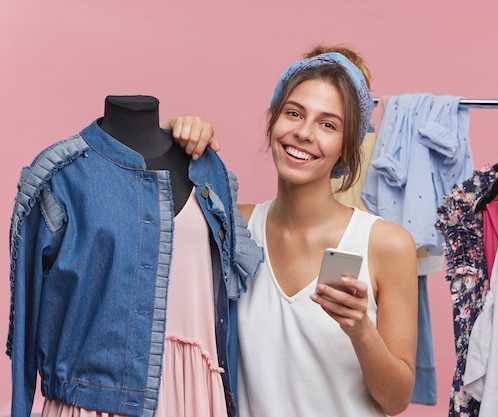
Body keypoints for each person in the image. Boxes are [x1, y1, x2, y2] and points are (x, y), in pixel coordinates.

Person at [169, 45, 418, 416]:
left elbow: (396, 401)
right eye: (294, 113)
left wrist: (360, 329)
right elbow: (154, 228)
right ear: (272, 122)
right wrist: (173, 142)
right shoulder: (233, 229)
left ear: (347, 150)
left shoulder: (386, 244)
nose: (303, 133)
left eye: (328, 124)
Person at [7, 95, 262, 417]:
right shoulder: (62, 173)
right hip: (92, 402)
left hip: (198, 394)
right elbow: (26, 320)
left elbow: (228, 303)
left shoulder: (211, 171)